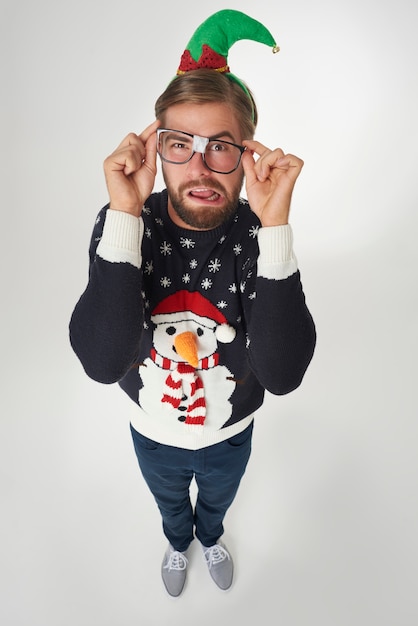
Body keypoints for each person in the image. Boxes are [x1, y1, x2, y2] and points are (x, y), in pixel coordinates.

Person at [69, 10, 316, 597]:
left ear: (249, 155)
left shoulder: (262, 236)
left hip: (232, 428)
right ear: (156, 147)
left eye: (221, 147)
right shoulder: (123, 221)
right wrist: (126, 212)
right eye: (181, 144)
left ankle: (210, 536)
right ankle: (178, 540)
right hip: (150, 426)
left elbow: (282, 374)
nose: (200, 167)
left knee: (219, 496)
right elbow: (104, 361)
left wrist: (275, 222)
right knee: (167, 499)